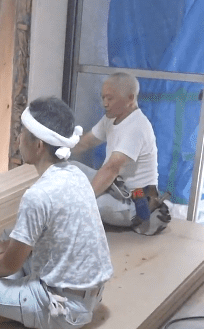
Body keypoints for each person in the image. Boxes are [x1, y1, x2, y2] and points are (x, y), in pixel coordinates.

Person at [0, 97, 113, 329]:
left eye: (23, 133)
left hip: (61, 307)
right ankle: (10, 305)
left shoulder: (37, 195)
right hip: (90, 296)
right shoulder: (76, 174)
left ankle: (16, 312)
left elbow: (9, 265)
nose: (18, 138)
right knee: (9, 238)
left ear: (38, 145)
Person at [71, 72, 171, 236]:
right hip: (115, 188)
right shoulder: (111, 118)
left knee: (95, 204)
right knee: (71, 167)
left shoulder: (136, 127)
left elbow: (111, 169)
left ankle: (141, 219)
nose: (105, 103)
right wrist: (57, 149)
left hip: (134, 199)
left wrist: (82, 201)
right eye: (103, 97)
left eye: (110, 98)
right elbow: (86, 142)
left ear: (130, 98)